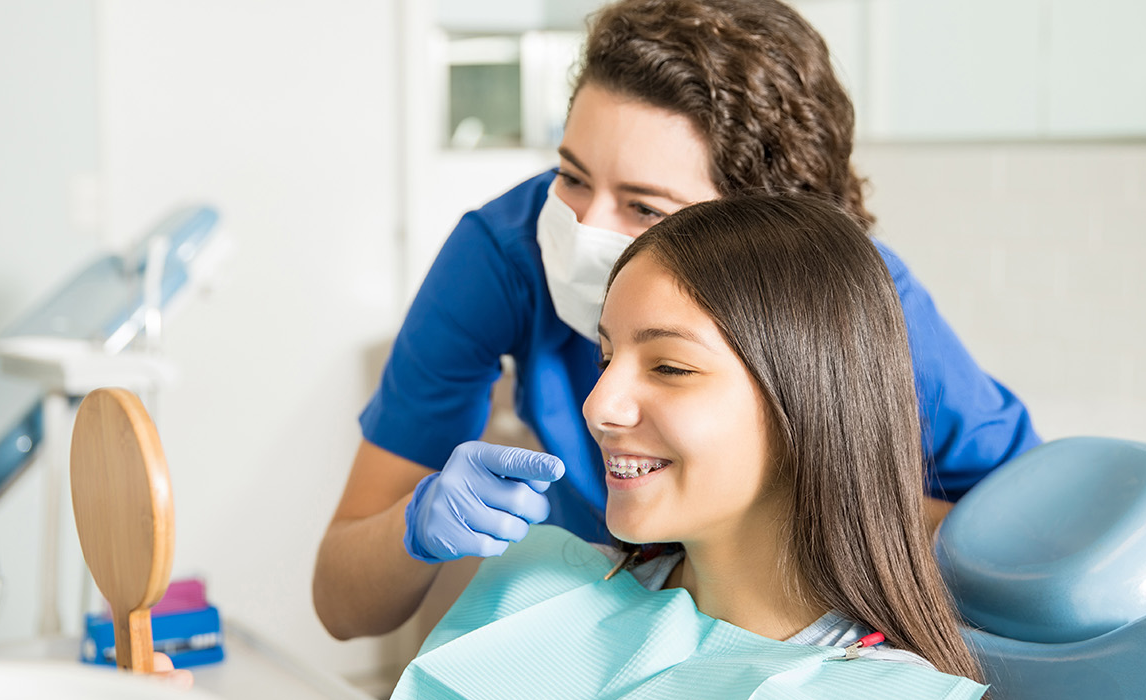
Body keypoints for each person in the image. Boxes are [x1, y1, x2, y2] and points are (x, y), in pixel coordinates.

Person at [314, 0, 1039, 641]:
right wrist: (416, 527)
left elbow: (1028, 547)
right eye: (571, 176)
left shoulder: (853, 308)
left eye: (645, 207)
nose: (584, 228)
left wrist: (818, 508)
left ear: (767, 241)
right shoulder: (507, 252)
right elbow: (344, 606)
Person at [391, 195, 987, 699]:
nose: (597, 405)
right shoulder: (537, 586)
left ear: (809, 404)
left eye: (670, 367)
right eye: (605, 358)